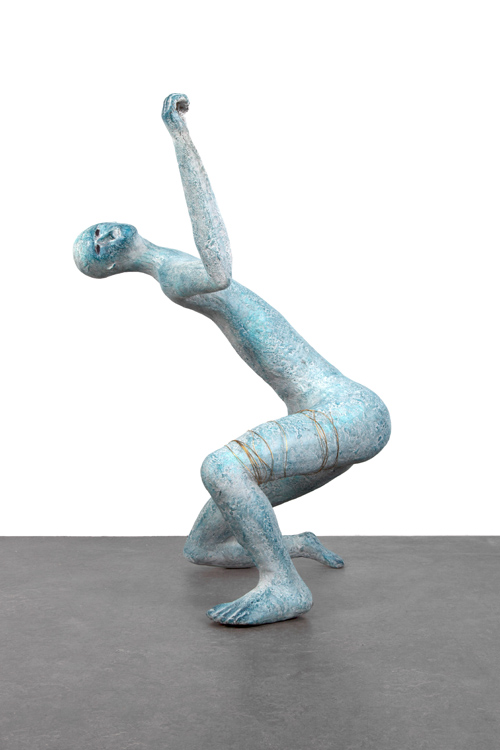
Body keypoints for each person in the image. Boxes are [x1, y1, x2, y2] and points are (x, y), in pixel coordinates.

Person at [74, 94, 391, 626]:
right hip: (336, 417)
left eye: (96, 231)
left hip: (347, 413)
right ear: (108, 271)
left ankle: (284, 585)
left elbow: (215, 269)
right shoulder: (173, 277)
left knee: (221, 467)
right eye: (96, 249)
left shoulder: (174, 267)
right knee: (203, 546)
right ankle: (294, 545)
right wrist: (181, 139)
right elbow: (218, 267)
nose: (103, 238)